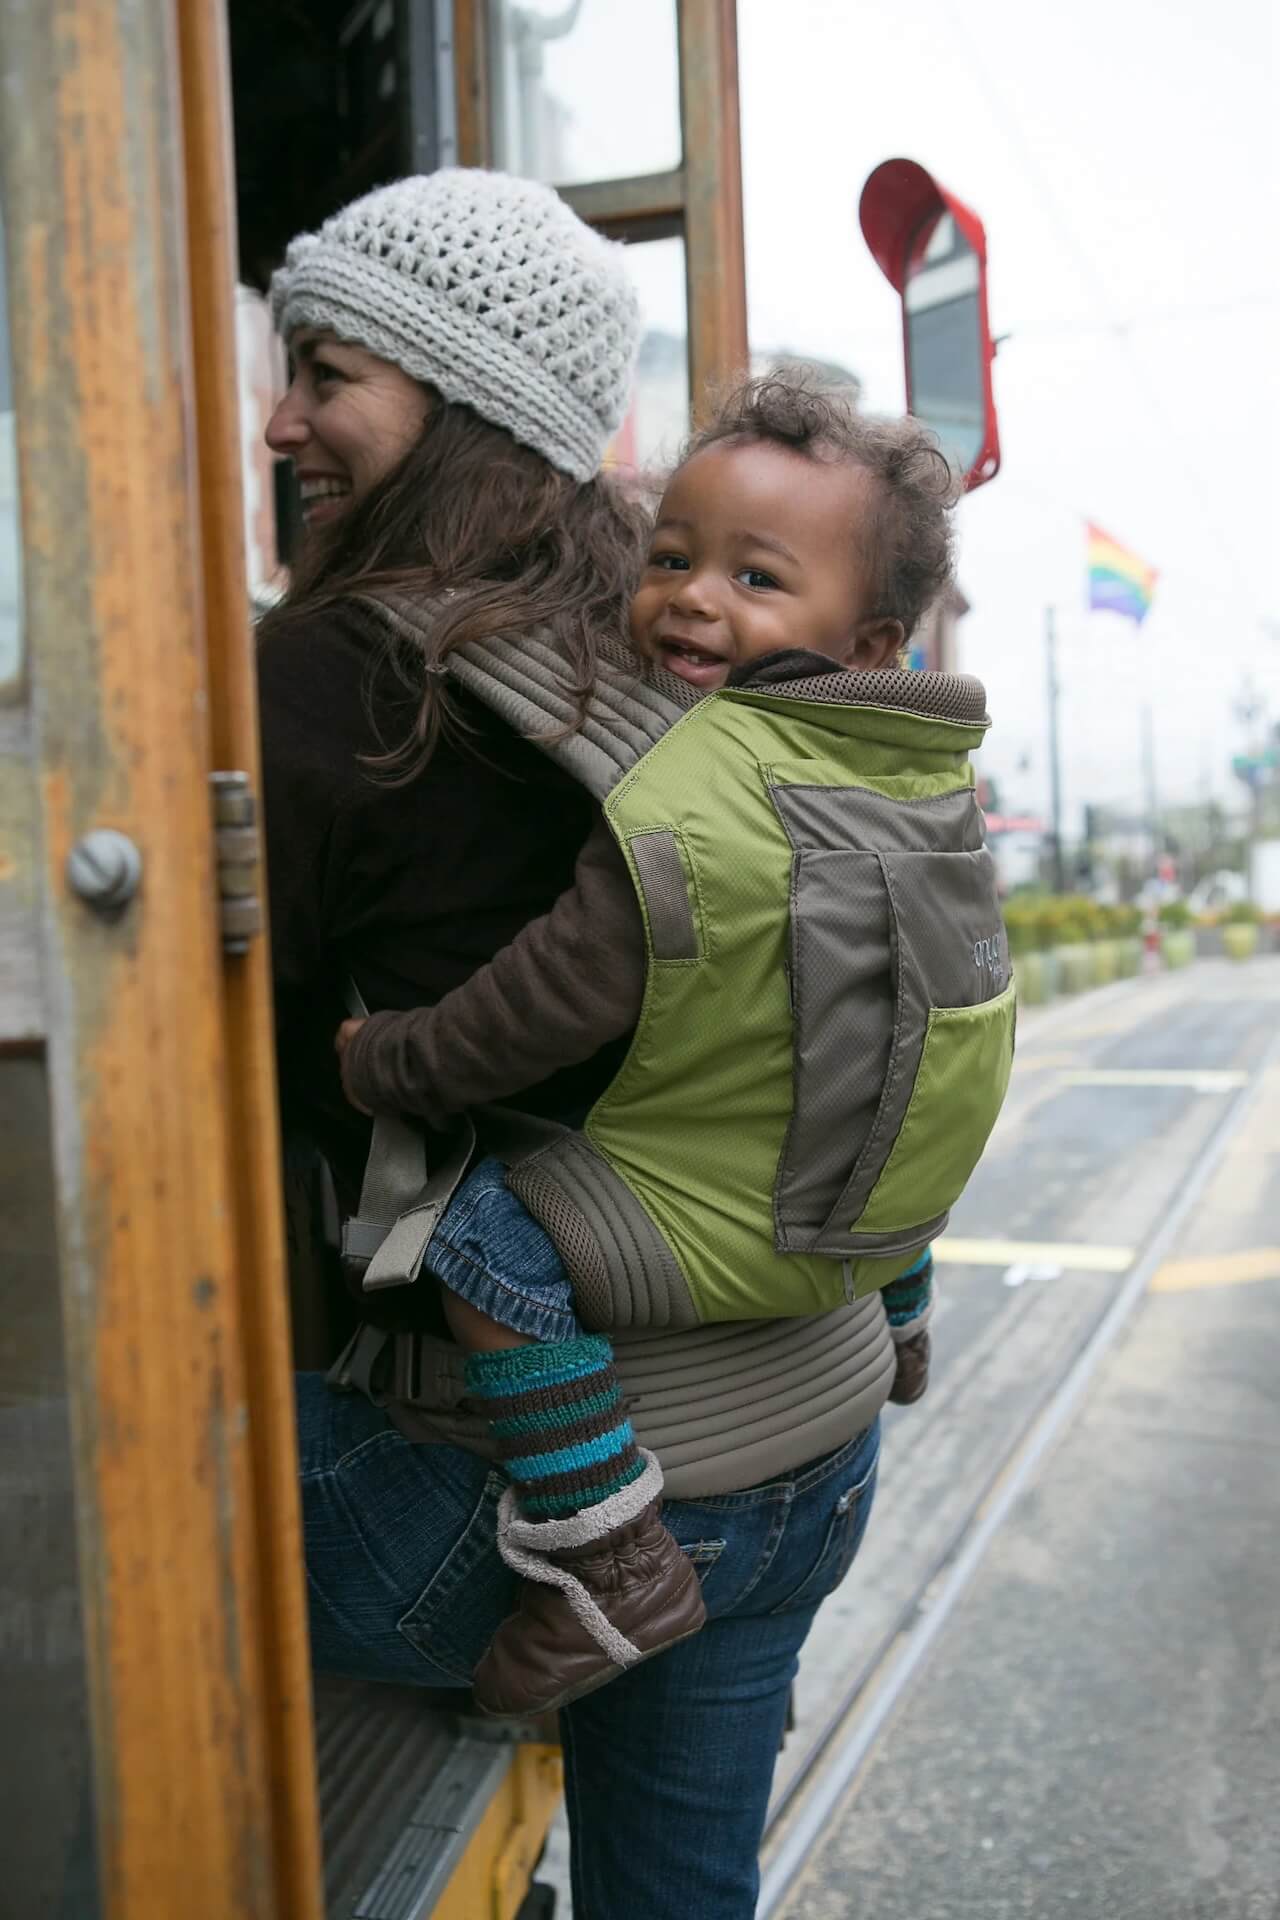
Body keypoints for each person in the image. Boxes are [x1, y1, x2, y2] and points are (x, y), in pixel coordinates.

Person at [257, 166, 949, 1920]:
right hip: (815, 1440)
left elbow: (252, 1100)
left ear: (459, 391)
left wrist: (374, 1061)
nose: (282, 420)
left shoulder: (329, 679)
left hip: (512, 1505)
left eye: (327, 371)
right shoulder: (691, 652)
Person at [333, 373, 953, 1717]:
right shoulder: (914, 787)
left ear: (875, 636)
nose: (690, 596)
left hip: (702, 1229)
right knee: (892, 1098)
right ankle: (906, 1327)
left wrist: (385, 1057)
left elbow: (538, 1004)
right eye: (670, 556)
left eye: (755, 579)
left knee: (475, 1240)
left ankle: (608, 1543)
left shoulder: (690, 797)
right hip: (848, 1232)